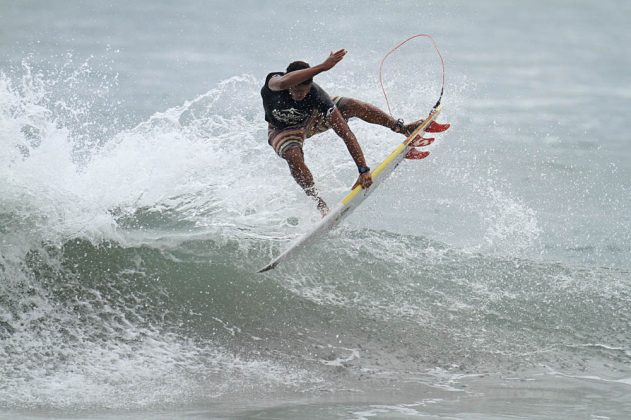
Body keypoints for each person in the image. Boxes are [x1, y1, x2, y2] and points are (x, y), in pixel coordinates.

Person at [261, 49, 449, 216]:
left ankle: (402, 128)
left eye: (304, 90)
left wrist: (363, 169)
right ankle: (319, 203)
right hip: (281, 129)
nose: (300, 95)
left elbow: (345, 133)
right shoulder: (275, 83)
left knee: (351, 105)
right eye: (296, 90)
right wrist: (324, 66)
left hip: (311, 121)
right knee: (293, 155)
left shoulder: (317, 96)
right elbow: (285, 81)